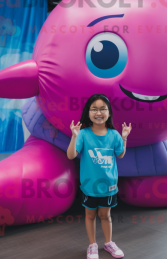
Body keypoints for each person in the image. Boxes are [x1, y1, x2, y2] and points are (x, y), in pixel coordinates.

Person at [66, 94, 132, 259]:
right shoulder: (83, 134)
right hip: (90, 185)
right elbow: (71, 155)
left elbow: (121, 155)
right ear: (88, 112)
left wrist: (124, 137)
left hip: (109, 185)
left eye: (103, 109)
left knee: (106, 215)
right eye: (94, 109)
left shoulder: (114, 134)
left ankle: (108, 243)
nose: (98, 112)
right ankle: (92, 245)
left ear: (109, 112)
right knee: (90, 215)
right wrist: (74, 136)